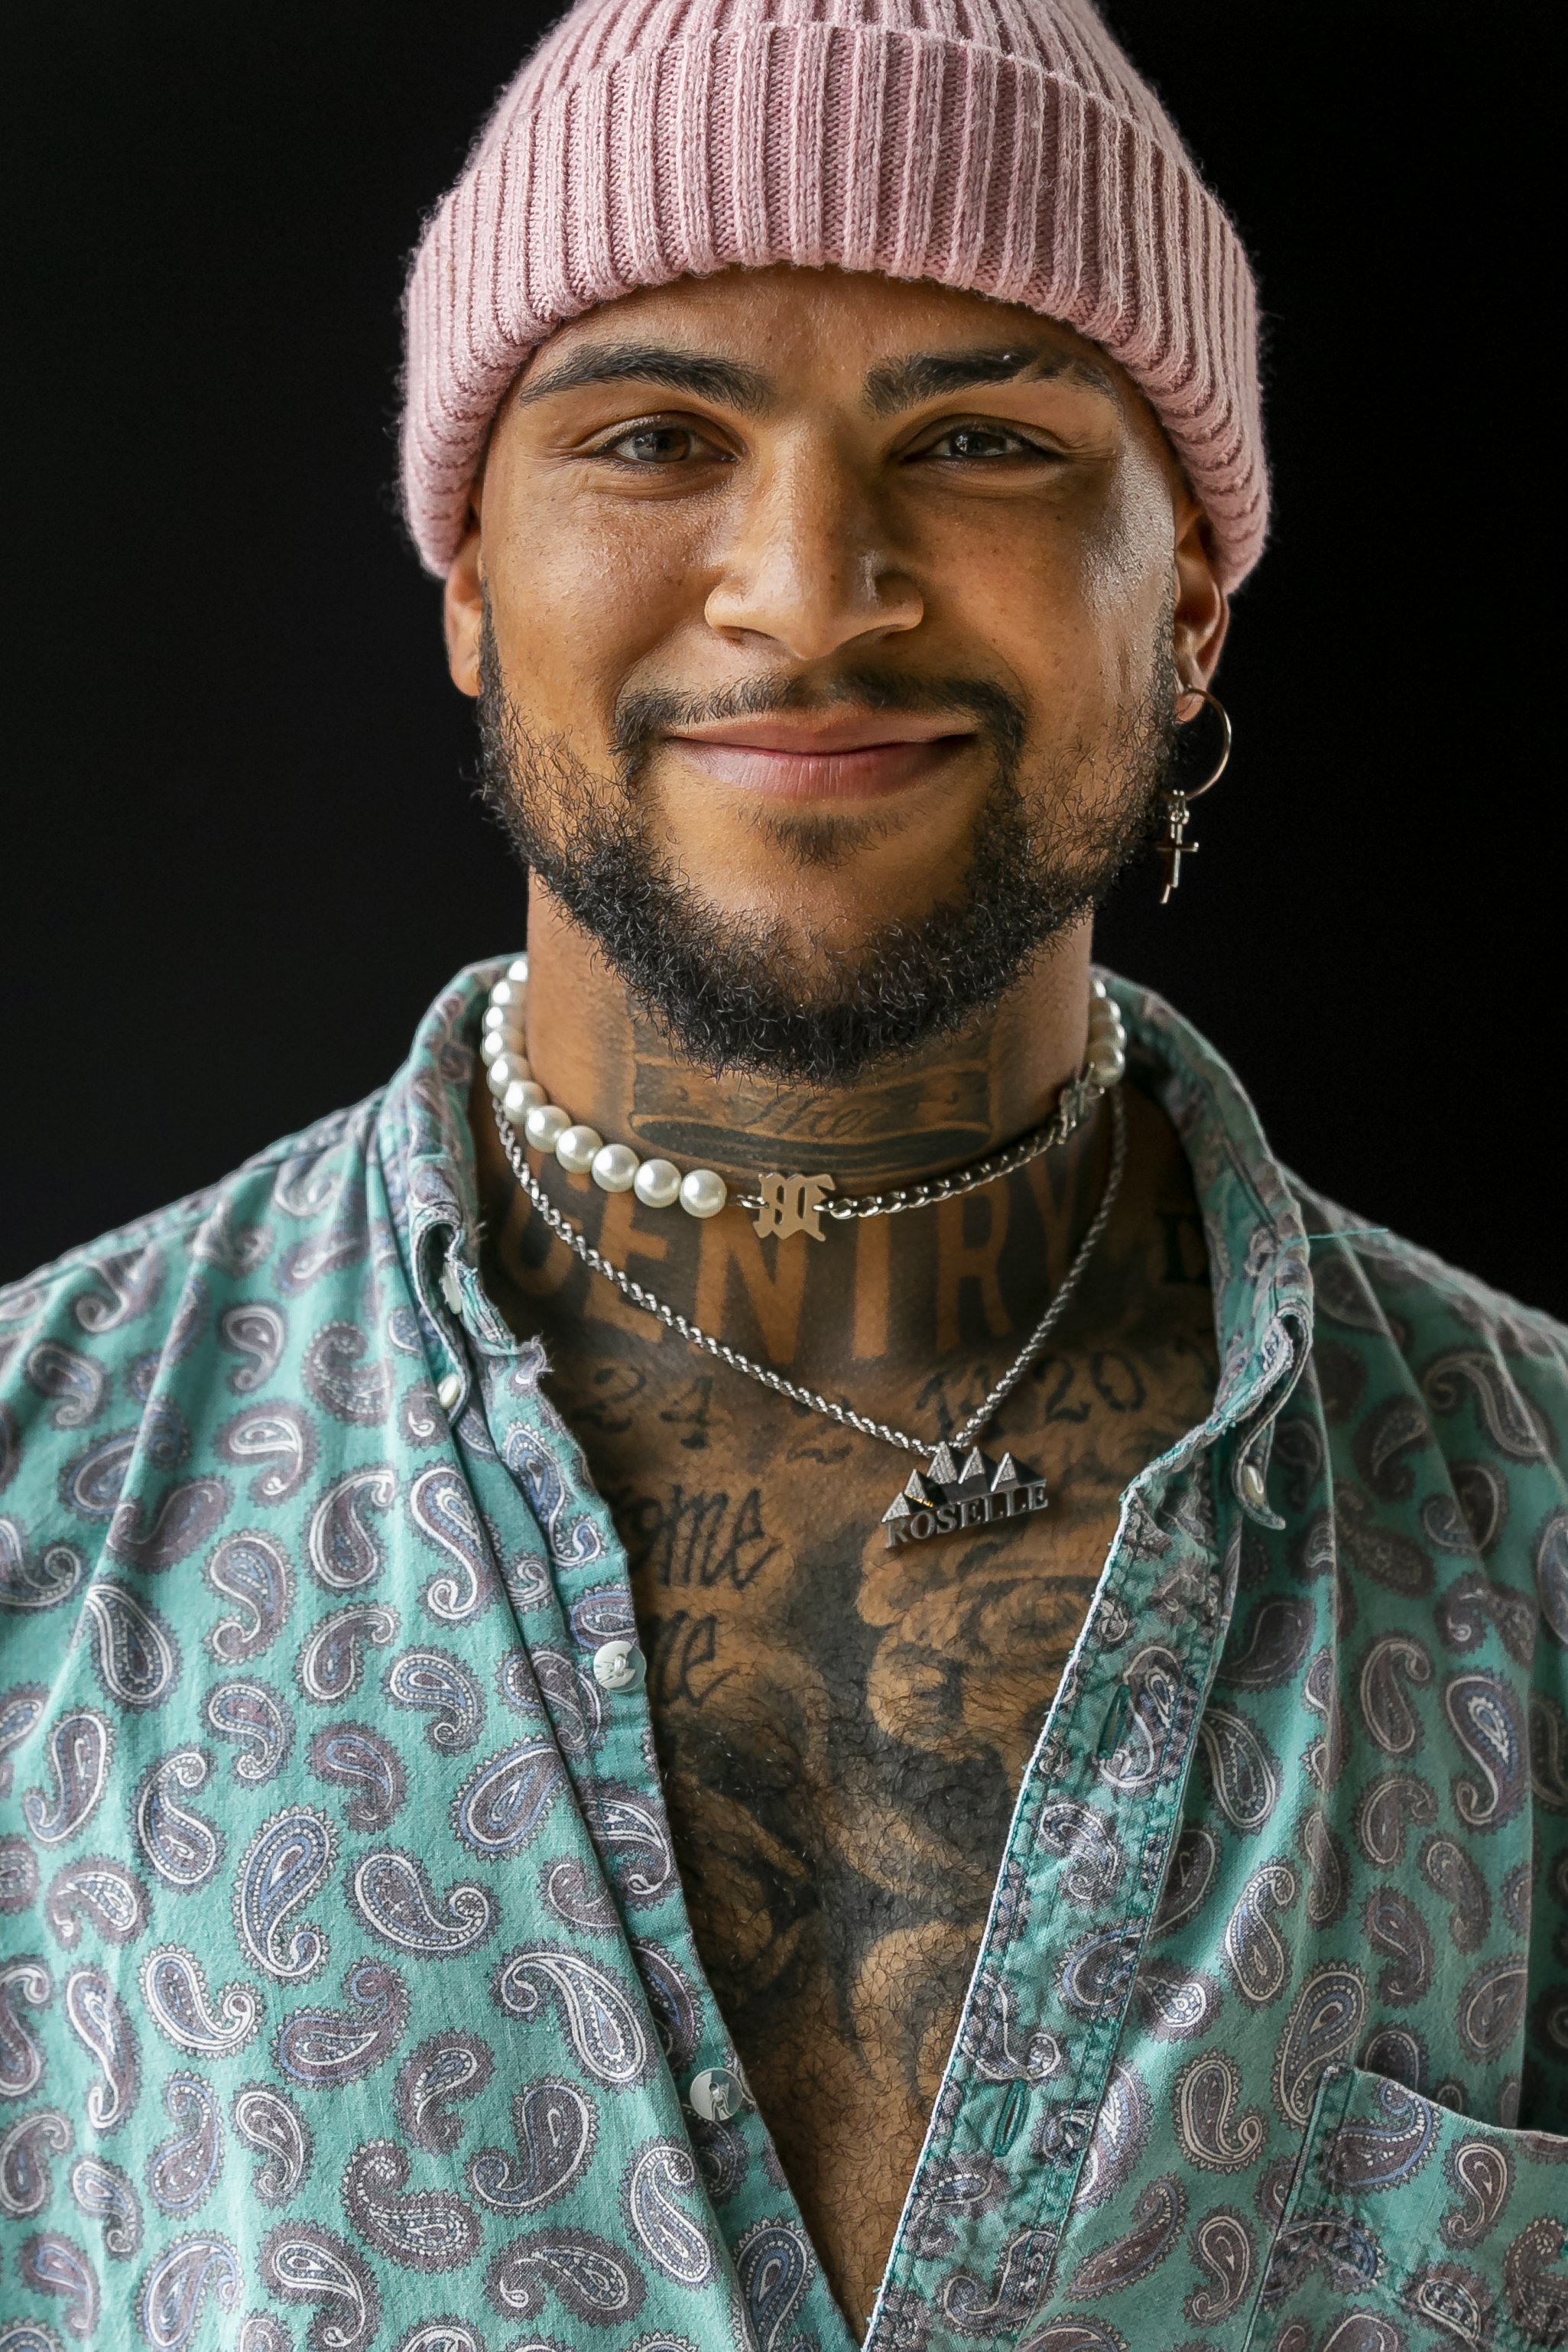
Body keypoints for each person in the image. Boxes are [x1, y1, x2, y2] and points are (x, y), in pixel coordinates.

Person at [2, 0, 1565, 2344]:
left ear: (1195, 595)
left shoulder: (1534, 1550)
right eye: (652, 435)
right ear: (462, 578)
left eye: (979, 437)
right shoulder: (35, 1509)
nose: (810, 586)